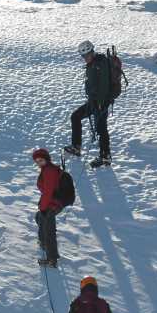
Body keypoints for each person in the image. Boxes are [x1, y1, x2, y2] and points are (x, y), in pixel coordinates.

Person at [64, 40, 113, 169]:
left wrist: (101, 104)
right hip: (93, 102)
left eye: (87, 55)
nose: (85, 58)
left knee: (101, 128)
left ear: (92, 51)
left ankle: (105, 156)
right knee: (76, 116)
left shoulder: (100, 63)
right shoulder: (93, 64)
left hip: (101, 103)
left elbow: (103, 85)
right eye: (83, 56)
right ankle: (77, 147)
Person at [32, 148, 62, 266]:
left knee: (48, 230)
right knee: (39, 218)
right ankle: (43, 242)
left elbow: (48, 192)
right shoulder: (47, 169)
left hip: (51, 205)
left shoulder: (49, 171)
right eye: (37, 161)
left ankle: (51, 259)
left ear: (46, 159)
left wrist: (43, 208)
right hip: (51, 203)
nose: (39, 163)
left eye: (41, 160)